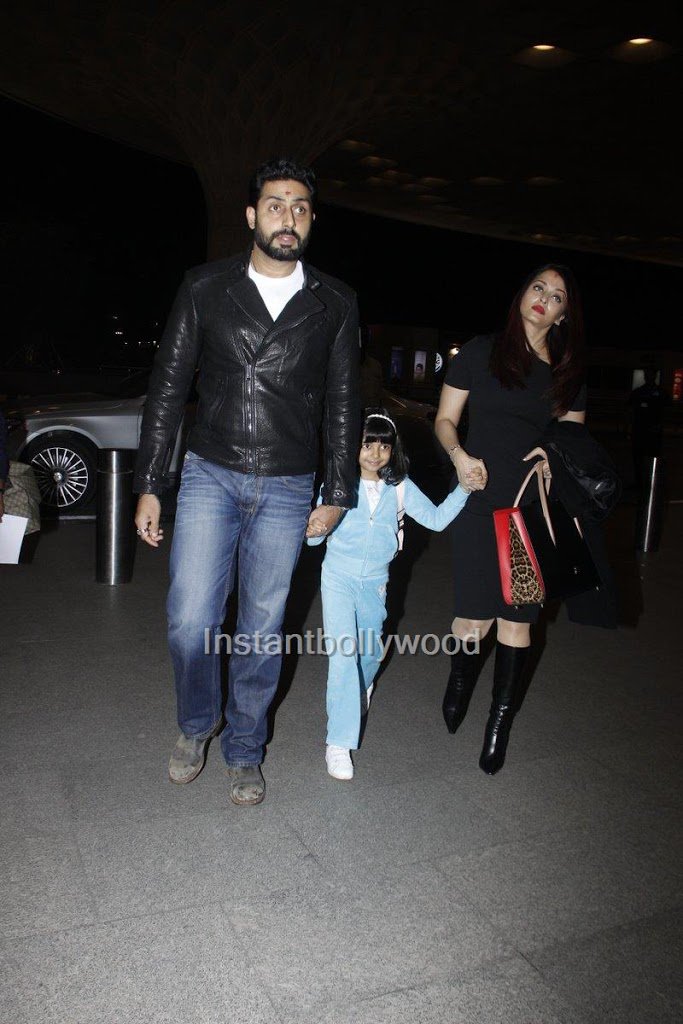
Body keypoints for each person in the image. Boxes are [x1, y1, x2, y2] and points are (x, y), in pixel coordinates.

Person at [133, 157, 360, 806]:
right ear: (251, 216)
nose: (286, 216)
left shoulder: (334, 301)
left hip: (290, 483)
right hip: (210, 472)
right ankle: (196, 724)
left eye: (299, 206)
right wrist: (152, 479)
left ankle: (244, 749)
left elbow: (343, 402)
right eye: (275, 204)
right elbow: (168, 389)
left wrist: (338, 490)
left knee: (262, 627)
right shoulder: (206, 287)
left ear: (311, 220)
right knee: (189, 620)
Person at [434, 264, 586, 775]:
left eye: (557, 295)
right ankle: (460, 680)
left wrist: (554, 456)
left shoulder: (566, 372)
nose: (544, 298)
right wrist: (458, 457)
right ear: (522, 294)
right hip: (478, 501)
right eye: (538, 287)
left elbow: (573, 443)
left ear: (565, 313)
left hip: (529, 511)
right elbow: (445, 420)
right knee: (472, 619)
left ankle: (499, 722)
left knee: (517, 623)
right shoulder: (482, 351)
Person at [306, 408, 469, 780]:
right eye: (367, 443)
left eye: (384, 445)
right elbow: (314, 540)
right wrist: (313, 526)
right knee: (344, 656)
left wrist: (464, 489)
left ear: (393, 450)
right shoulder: (338, 485)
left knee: (368, 656)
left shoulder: (400, 488)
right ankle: (339, 743)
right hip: (338, 579)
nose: (376, 452)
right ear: (353, 446)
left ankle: (362, 686)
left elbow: (437, 520)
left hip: (375, 583)